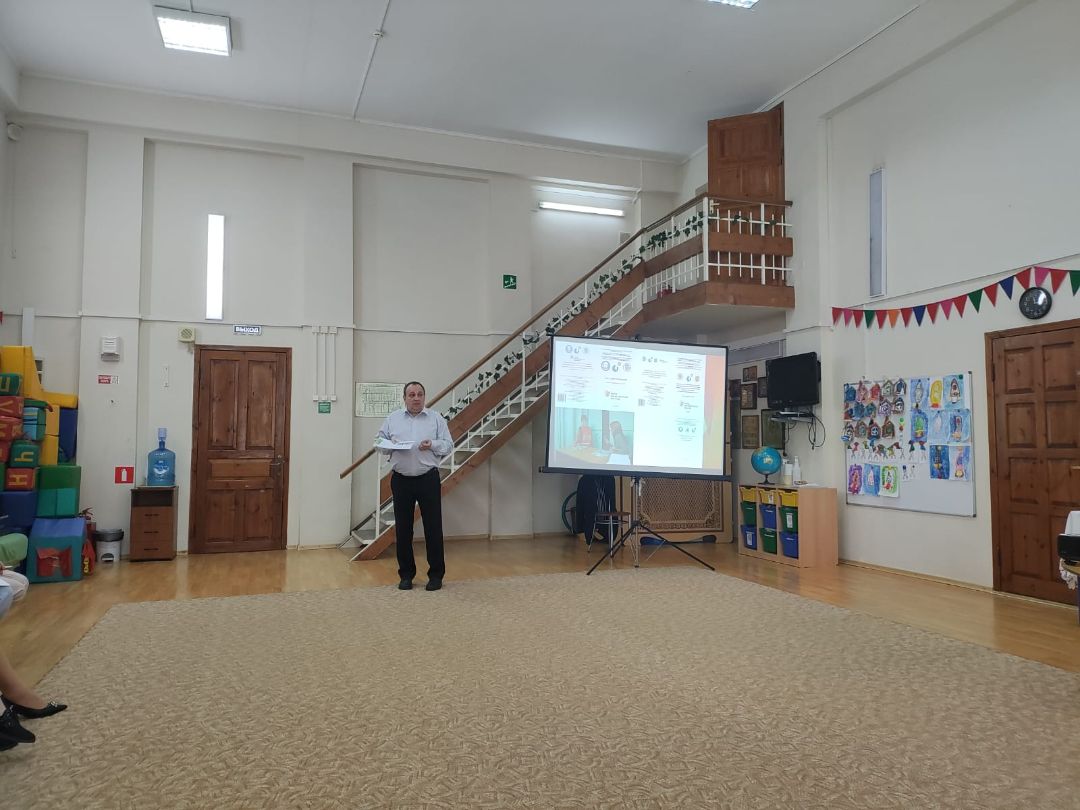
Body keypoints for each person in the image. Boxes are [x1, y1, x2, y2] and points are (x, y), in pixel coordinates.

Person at [376, 382, 454, 592]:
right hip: (401, 481)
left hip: (428, 479)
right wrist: (388, 445)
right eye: (411, 394)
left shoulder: (436, 419)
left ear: (424, 397)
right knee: (403, 529)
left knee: (433, 528)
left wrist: (433, 444)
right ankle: (406, 575)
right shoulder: (392, 419)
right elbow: (379, 442)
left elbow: (448, 445)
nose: (416, 398)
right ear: (405, 398)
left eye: (420, 394)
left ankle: (436, 575)